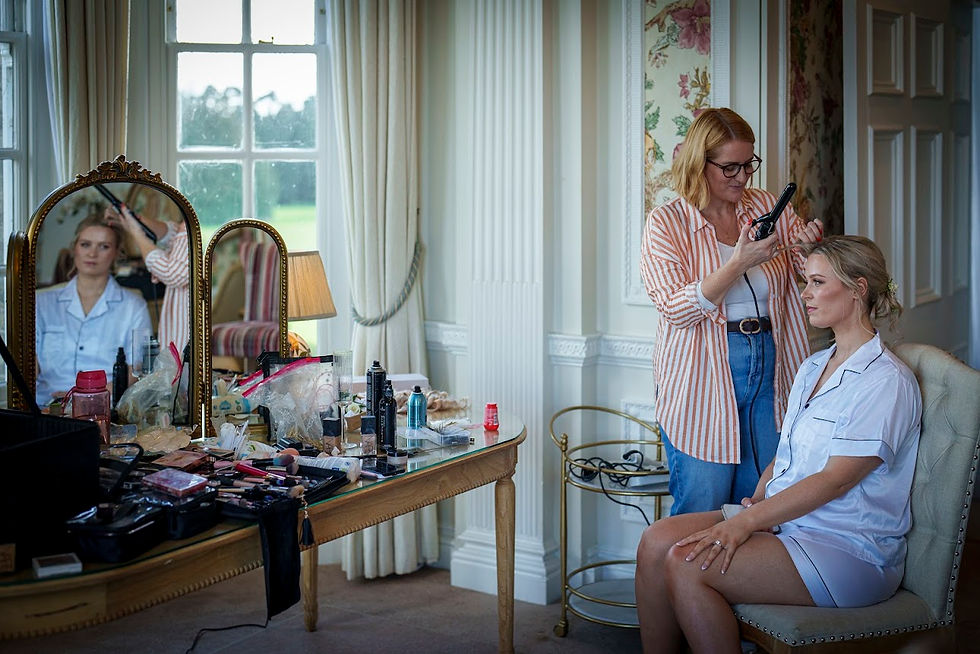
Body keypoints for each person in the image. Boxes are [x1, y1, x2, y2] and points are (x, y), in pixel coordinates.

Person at [634, 235, 921, 654]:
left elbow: (834, 482)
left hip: (847, 548)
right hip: (790, 522)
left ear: (858, 288)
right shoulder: (813, 365)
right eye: (806, 282)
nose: (805, 293)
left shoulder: (885, 382)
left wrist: (745, 523)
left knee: (686, 563)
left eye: (818, 283)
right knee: (656, 541)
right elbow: (783, 455)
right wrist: (756, 501)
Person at [639, 107, 824, 514]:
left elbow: (802, 274)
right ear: (699, 164)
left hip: (774, 362)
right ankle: (685, 579)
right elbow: (676, 309)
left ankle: (739, 580)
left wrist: (811, 251)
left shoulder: (765, 205)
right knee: (702, 504)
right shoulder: (666, 224)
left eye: (748, 164)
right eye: (729, 168)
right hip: (702, 372)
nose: (742, 177)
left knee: (762, 501)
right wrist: (738, 262)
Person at [36, 212, 152, 406]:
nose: (92, 254)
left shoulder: (134, 307)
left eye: (104, 246)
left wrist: (87, 399)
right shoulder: (41, 303)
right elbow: (28, 366)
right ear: (74, 248)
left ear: (116, 253)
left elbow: (138, 371)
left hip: (104, 409)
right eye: (85, 244)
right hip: (45, 407)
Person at [107, 201, 189, 354]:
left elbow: (173, 273)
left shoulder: (197, 217)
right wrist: (138, 222)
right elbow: (175, 235)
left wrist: (137, 232)